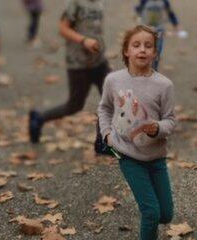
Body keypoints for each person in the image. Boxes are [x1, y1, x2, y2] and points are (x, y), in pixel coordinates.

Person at [98, 25, 176, 240]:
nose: (142, 50)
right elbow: (104, 108)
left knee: (165, 215)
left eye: (148, 46)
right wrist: (106, 134)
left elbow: (170, 120)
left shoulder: (164, 85)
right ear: (126, 51)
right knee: (151, 213)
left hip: (156, 158)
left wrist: (157, 128)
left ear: (155, 52)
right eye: (136, 45)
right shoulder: (113, 80)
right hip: (127, 154)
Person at [29, 0, 110, 143]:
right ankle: (39, 116)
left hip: (99, 61)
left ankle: (104, 141)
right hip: (78, 63)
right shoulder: (75, 3)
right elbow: (62, 29)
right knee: (74, 105)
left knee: (111, 99)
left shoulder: (99, 3)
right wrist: (84, 40)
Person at [135, 0, 187, 70]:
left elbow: (170, 13)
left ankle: (153, 71)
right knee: (145, 51)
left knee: (156, 53)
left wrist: (176, 25)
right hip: (145, 30)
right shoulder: (144, 1)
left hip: (159, 31)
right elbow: (138, 9)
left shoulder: (164, 2)